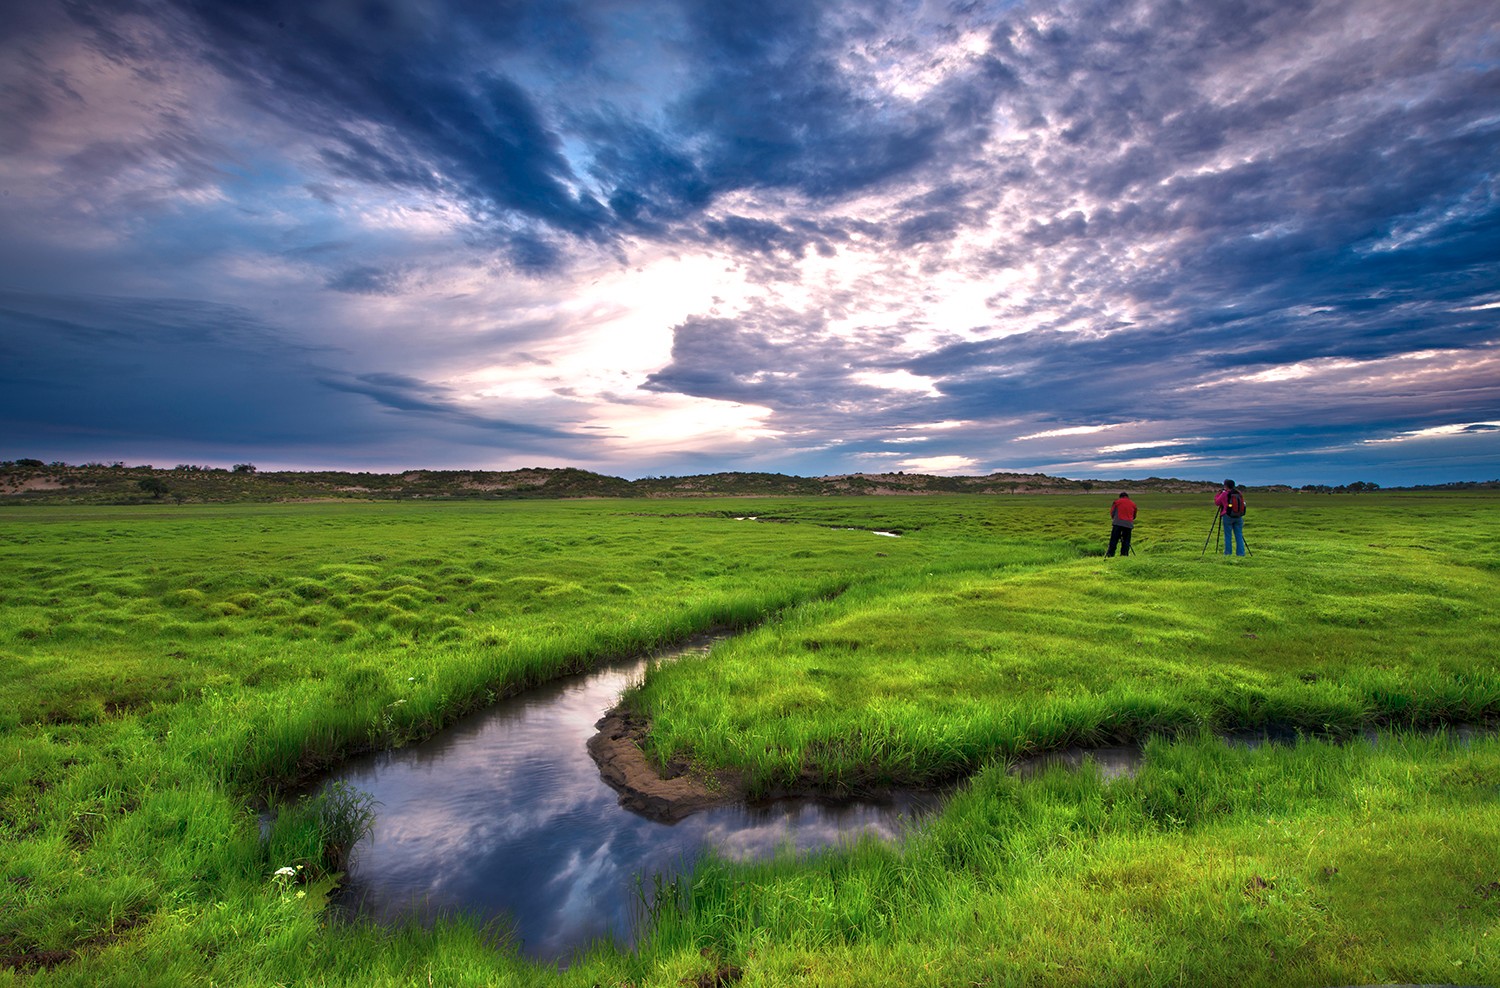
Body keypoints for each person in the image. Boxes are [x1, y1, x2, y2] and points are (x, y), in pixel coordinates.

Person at [1214, 478, 1247, 556]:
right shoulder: (1238, 493)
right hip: (1238, 516)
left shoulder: (1225, 494)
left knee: (1228, 535)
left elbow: (1217, 502)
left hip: (1227, 516)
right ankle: (1241, 553)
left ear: (1225, 486)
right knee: (1239, 535)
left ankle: (1228, 553)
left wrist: (1218, 494)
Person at [1107, 491, 1137, 557]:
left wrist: (1114, 519)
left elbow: (1112, 512)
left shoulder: (1117, 502)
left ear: (1120, 497)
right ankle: (1124, 555)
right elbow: (1134, 516)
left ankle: (1110, 555)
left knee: (1114, 540)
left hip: (1117, 523)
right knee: (1126, 541)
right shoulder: (1133, 504)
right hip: (1128, 525)